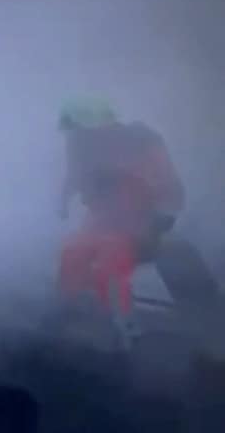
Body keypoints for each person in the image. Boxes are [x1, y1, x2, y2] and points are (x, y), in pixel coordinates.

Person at [57, 96, 184, 337]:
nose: (76, 138)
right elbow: (73, 175)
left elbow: (168, 185)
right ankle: (72, 315)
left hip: (139, 223)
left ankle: (126, 326)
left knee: (110, 263)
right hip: (101, 221)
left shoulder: (141, 143)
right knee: (71, 254)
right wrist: (63, 201)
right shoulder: (80, 145)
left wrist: (162, 216)